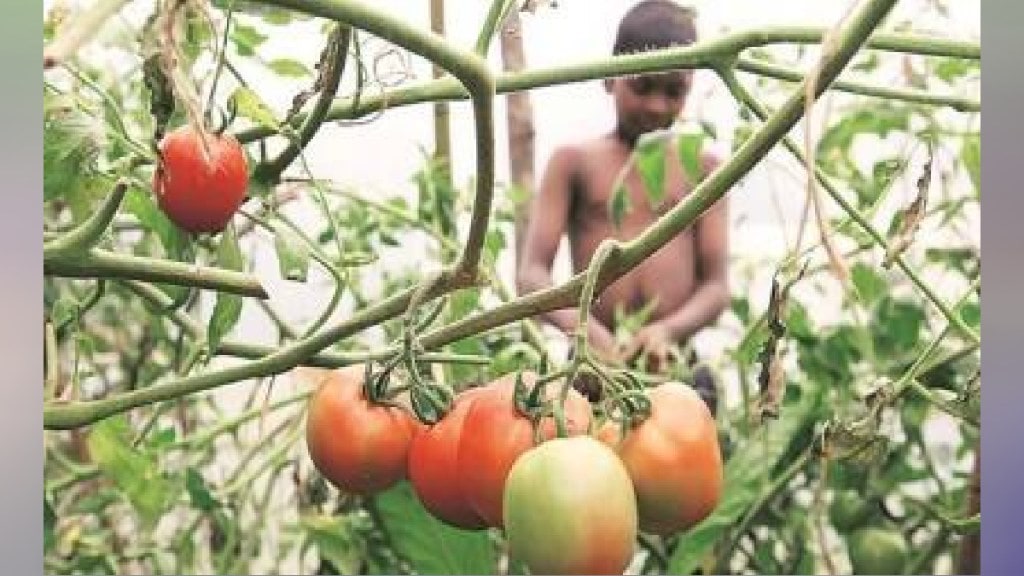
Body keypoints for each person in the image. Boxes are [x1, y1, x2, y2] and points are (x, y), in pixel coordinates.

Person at [516, 0, 728, 414]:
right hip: (591, 368)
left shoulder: (705, 168)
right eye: (642, 87)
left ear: (691, 85)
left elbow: (717, 287)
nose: (656, 105)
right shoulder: (573, 162)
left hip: (676, 368)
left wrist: (667, 330)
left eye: (674, 91)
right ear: (609, 79)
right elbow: (531, 275)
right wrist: (586, 333)